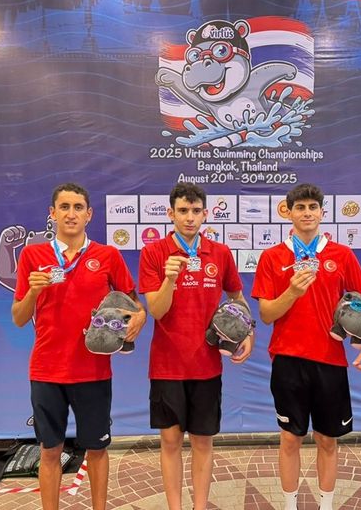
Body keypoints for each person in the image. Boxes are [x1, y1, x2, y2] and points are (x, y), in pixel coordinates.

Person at [12, 182, 146, 510]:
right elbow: (19, 317)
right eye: (64, 207)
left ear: (89, 214)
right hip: (47, 371)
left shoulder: (107, 255)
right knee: (50, 451)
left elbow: (134, 305)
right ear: (52, 213)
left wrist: (139, 318)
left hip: (93, 371)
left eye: (78, 207)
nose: (71, 214)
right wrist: (33, 292)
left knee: (97, 449)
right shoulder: (33, 255)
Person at [251, 183, 361, 510]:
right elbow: (266, 314)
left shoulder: (342, 255)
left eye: (312, 207)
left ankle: (326, 506)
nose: (307, 213)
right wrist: (292, 292)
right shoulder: (272, 256)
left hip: (330, 361)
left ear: (322, 213)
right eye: (300, 207)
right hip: (288, 360)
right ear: (288, 213)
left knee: (327, 439)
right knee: (289, 438)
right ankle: (290, 506)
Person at [138, 183, 252, 510]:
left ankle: (199, 506)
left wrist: (248, 332)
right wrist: (170, 279)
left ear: (205, 214)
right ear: (170, 213)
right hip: (167, 365)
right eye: (183, 211)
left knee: (203, 442)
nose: (190, 217)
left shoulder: (220, 253)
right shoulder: (154, 253)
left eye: (196, 211)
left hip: (207, 365)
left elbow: (237, 297)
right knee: (170, 441)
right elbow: (156, 310)